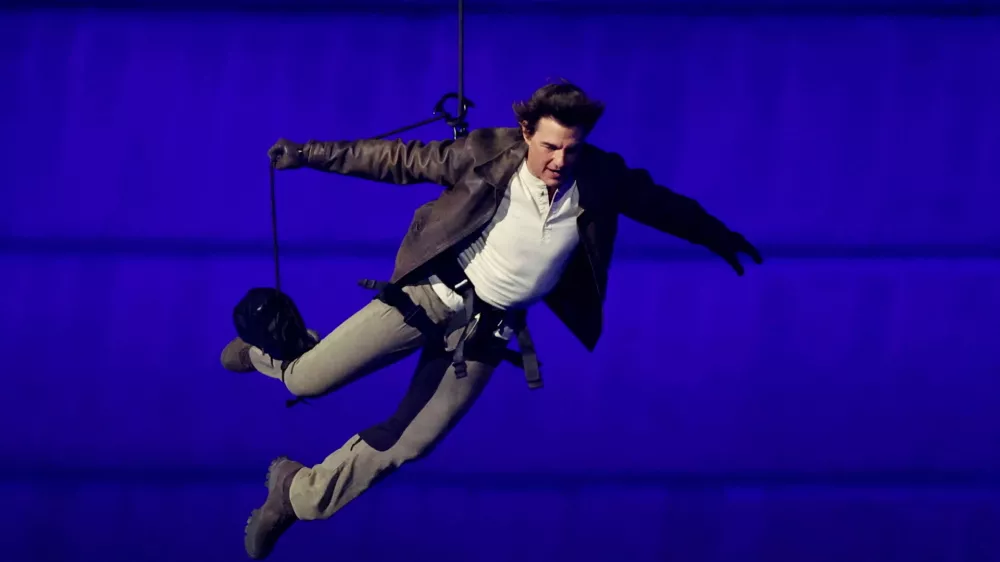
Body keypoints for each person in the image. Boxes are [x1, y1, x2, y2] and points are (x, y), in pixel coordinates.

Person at [221, 81, 762, 559]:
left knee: (413, 441)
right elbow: (398, 160)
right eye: (549, 146)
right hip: (430, 296)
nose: (558, 160)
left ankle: (297, 494)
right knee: (308, 377)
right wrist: (308, 153)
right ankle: (261, 354)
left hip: (485, 331)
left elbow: (663, 204)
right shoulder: (486, 153)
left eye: (570, 150)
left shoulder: (599, 176)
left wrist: (718, 236)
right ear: (526, 131)